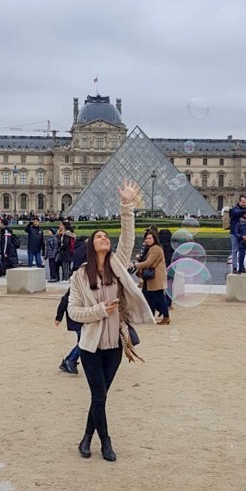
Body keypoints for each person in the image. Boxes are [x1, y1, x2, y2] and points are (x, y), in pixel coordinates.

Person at [68, 180, 155, 462]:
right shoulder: (80, 276)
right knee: (99, 396)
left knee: (100, 396)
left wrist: (127, 204)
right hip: (91, 347)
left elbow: (127, 236)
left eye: (107, 235)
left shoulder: (118, 265)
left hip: (116, 344)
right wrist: (99, 311)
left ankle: (85, 437)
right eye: (99, 236)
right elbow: (74, 312)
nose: (105, 238)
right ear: (92, 245)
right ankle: (105, 442)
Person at [134, 231, 169, 324]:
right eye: (146, 238)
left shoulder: (155, 249)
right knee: (149, 295)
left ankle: (165, 316)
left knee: (158, 296)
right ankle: (153, 315)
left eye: (150, 238)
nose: (148, 240)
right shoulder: (150, 248)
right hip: (152, 276)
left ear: (154, 239)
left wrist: (135, 265)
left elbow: (148, 262)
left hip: (155, 276)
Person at [55, 288, 82, 375]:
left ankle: (69, 361)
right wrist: (58, 317)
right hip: (76, 319)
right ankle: (70, 360)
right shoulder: (77, 285)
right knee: (84, 342)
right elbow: (64, 300)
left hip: (84, 318)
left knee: (83, 341)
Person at [229, 196, 246, 274]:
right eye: (243, 202)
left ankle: (241, 266)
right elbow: (236, 213)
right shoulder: (234, 209)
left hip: (243, 234)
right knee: (235, 250)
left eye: (245, 202)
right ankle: (234, 267)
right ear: (239, 202)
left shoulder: (245, 210)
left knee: (241, 251)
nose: (244, 204)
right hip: (234, 233)